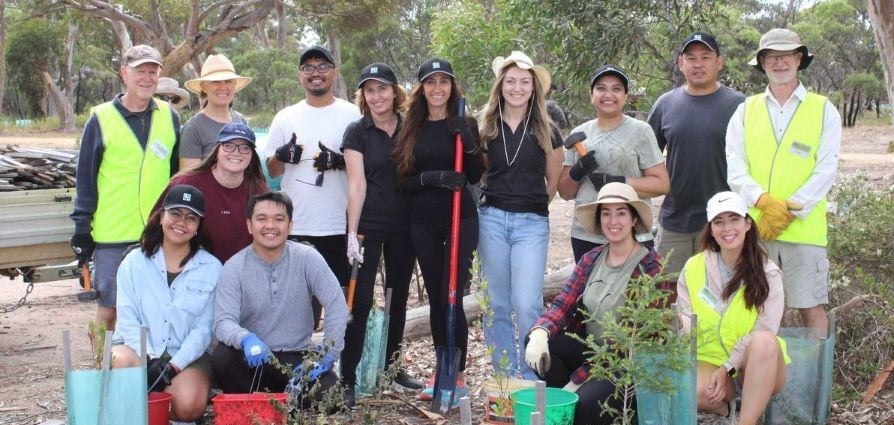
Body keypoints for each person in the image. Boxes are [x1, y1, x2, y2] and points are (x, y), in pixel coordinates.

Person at [726, 28, 840, 335]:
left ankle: (816, 381)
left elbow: (826, 169)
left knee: (811, 307)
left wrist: (790, 209)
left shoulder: (823, 109)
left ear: (799, 59)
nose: (779, 63)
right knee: (754, 306)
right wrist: (762, 201)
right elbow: (735, 167)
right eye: (772, 57)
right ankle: (757, 379)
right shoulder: (745, 110)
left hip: (805, 232)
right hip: (756, 228)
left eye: (786, 55)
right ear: (762, 62)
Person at [523, 182, 665, 424]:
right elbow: (563, 304)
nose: (613, 221)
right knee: (540, 340)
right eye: (606, 214)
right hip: (591, 350)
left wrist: (577, 380)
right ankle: (562, 407)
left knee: (586, 403)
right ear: (599, 221)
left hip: (626, 365)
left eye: (621, 213)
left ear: (633, 219)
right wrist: (540, 331)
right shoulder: (591, 259)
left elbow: (629, 341)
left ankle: (576, 404)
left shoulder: (650, 267)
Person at [70, 44, 180, 331]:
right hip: (113, 234)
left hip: (158, 233)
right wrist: (82, 227)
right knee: (108, 312)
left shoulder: (169, 116)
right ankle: (101, 373)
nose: (147, 78)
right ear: (124, 74)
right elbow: (86, 178)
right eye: (140, 71)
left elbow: (176, 174)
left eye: (153, 71)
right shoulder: (101, 118)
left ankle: (143, 373)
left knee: (153, 311)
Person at [393, 57, 483, 401]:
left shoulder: (464, 123)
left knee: (453, 297)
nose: (437, 88)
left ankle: (456, 377)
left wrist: (469, 143)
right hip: (423, 224)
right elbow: (401, 180)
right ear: (421, 88)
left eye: (444, 82)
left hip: (461, 220)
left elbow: (474, 174)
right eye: (431, 82)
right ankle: (439, 373)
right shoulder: (410, 128)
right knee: (436, 298)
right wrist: (433, 178)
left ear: (452, 87)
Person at [212, 192, 348, 402]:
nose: (270, 226)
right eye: (261, 219)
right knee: (223, 358)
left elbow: (337, 304)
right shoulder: (234, 267)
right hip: (255, 359)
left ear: (290, 225)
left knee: (334, 397)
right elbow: (223, 321)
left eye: (279, 219)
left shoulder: (307, 258)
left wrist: (328, 354)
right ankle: (255, 405)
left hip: (298, 359)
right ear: (249, 225)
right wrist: (245, 338)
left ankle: (283, 403)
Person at [477, 51, 563, 380]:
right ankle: (503, 374)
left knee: (527, 302)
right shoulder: (486, 126)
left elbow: (553, 182)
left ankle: (529, 377)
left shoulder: (547, 129)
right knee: (496, 302)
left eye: (524, 82)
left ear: (533, 88)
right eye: (510, 81)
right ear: (500, 86)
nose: (517, 88)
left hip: (531, 224)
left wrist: (529, 204)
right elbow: (484, 174)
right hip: (493, 220)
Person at [265, 45, 362, 326]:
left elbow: (366, 166)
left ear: (334, 72)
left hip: (338, 225)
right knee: (298, 309)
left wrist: (341, 161)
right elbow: (272, 169)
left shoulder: (353, 114)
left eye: (322, 66)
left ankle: (339, 365)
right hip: (297, 225)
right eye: (308, 68)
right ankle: (299, 366)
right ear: (300, 76)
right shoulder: (285, 117)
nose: (315, 73)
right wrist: (282, 155)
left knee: (341, 307)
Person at [342, 62, 423, 397]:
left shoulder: (410, 129)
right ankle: (348, 377)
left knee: (398, 297)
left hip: (404, 226)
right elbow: (356, 184)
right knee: (359, 302)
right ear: (364, 96)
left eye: (382, 89)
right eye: (370, 90)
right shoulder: (356, 132)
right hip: (368, 227)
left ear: (394, 92)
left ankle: (392, 368)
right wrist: (351, 232)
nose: (376, 96)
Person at [677, 191, 789, 424]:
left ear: (748, 223)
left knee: (765, 341)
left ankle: (746, 420)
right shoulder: (693, 267)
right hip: (710, 363)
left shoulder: (768, 273)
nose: (727, 228)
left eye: (734, 219)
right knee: (686, 388)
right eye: (719, 221)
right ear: (711, 228)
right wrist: (677, 324)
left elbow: (765, 329)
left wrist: (728, 367)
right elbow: (687, 318)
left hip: (757, 365)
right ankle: (726, 409)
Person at [110, 184, 221, 422]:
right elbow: (128, 319)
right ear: (161, 217)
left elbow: (204, 329)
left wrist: (174, 366)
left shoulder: (212, 268)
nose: (182, 223)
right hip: (136, 348)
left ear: (199, 226)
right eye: (175, 214)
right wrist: (149, 358)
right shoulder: (134, 262)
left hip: (185, 354)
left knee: (188, 405)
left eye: (191, 218)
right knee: (119, 364)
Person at [648, 32, 745, 276]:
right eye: (691, 58)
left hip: (724, 222)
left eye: (706, 57)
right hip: (675, 221)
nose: (698, 64)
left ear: (719, 62)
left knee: (723, 292)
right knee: (666, 293)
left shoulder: (740, 106)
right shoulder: (665, 105)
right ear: (681, 63)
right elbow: (647, 159)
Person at [557, 65, 669, 262]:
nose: (608, 94)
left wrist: (619, 181)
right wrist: (577, 172)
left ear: (626, 96)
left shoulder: (641, 131)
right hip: (586, 234)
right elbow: (565, 193)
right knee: (588, 292)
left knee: (633, 292)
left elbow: (661, 184)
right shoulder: (581, 132)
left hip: (632, 234)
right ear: (591, 94)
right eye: (601, 88)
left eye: (616, 89)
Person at [157, 122, 269, 263]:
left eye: (245, 148)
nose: (236, 152)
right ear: (217, 149)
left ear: (252, 155)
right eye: (228, 145)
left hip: (242, 273)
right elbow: (156, 226)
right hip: (192, 272)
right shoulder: (186, 183)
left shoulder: (260, 191)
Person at [180, 54, 252, 169]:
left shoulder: (241, 121)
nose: (222, 86)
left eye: (228, 81)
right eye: (216, 81)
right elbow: (188, 180)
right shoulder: (194, 128)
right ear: (204, 86)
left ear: (235, 85)